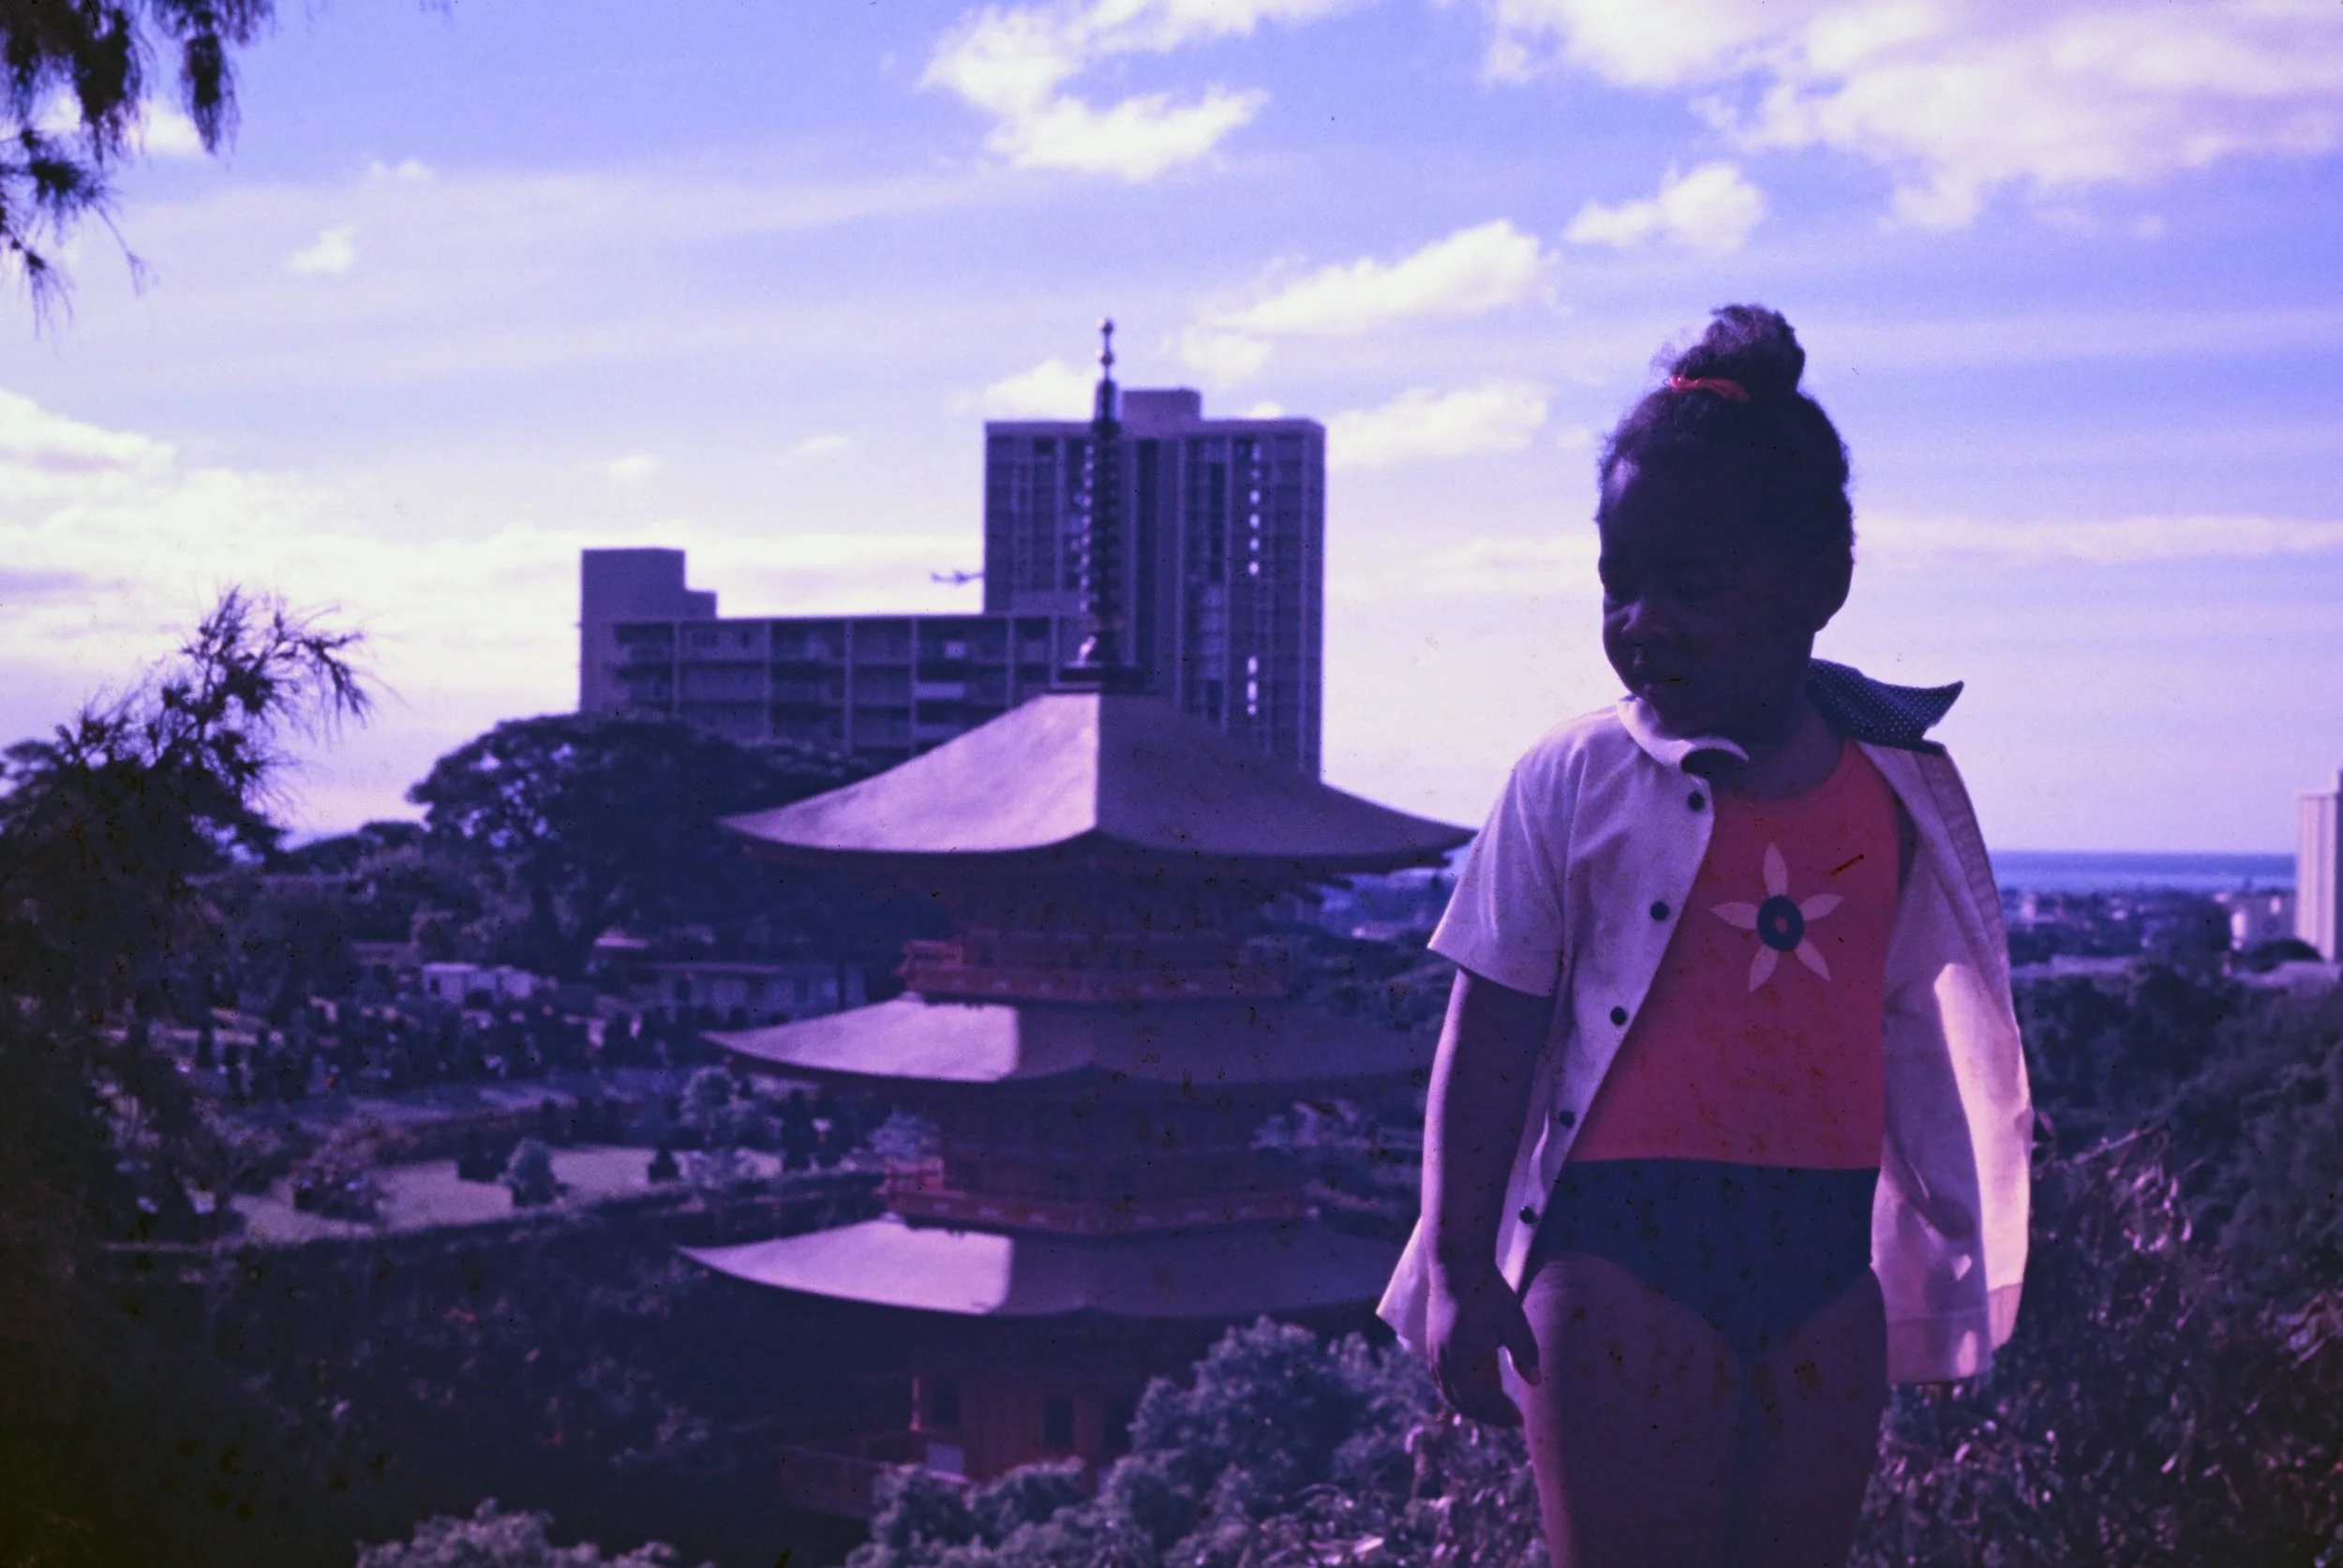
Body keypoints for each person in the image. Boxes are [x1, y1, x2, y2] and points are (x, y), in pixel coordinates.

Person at [1379, 306, 2031, 1568]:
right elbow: (1490, 1033)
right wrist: (1458, 1269)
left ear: (1823, 583)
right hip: (1620, 1260)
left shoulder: (1900, 791)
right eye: (1619, 585)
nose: (1645, 621)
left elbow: (1917, 1026)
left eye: (1693, 585)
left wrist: (1955, 1218)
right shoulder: (1572, 779)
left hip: (1826, 1269)